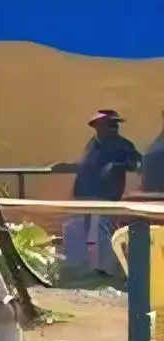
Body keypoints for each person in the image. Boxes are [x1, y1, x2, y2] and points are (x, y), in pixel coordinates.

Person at [65, 110, 141, 278]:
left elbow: (136, 163)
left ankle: (108, 271)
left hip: (107, 197)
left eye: (115, 124)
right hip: (84, 195)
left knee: (106, 233)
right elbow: (85, 166)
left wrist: (118, 163)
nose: (114, 127)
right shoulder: (92, 144)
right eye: (109, 124)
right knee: (80, 233)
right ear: (97, 127)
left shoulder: (123, 145)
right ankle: (81, 269)